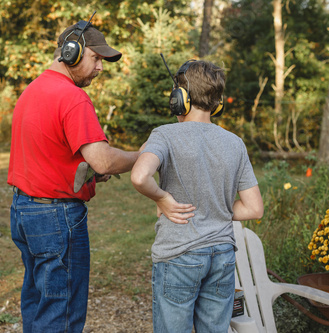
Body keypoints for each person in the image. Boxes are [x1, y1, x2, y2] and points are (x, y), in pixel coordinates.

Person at [7, 20, 140, 333]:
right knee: (61, 316)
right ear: (72, 52)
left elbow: (49, 154)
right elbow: (104, 160)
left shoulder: (33, 90)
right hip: (56, 218)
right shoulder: (72, 97)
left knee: (40, 305)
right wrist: (143, 156)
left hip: (25, 212)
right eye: (95, 59)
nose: (100, 68)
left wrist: (90, 173)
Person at [131, 60, 264, 333]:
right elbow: (254, 208)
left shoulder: (164, 135)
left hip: (179, 254)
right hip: (222, 256)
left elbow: (139, 176)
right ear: (217, 104)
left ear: (179, 99)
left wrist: (162, 199)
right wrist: (214, 208)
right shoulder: (234, 142)